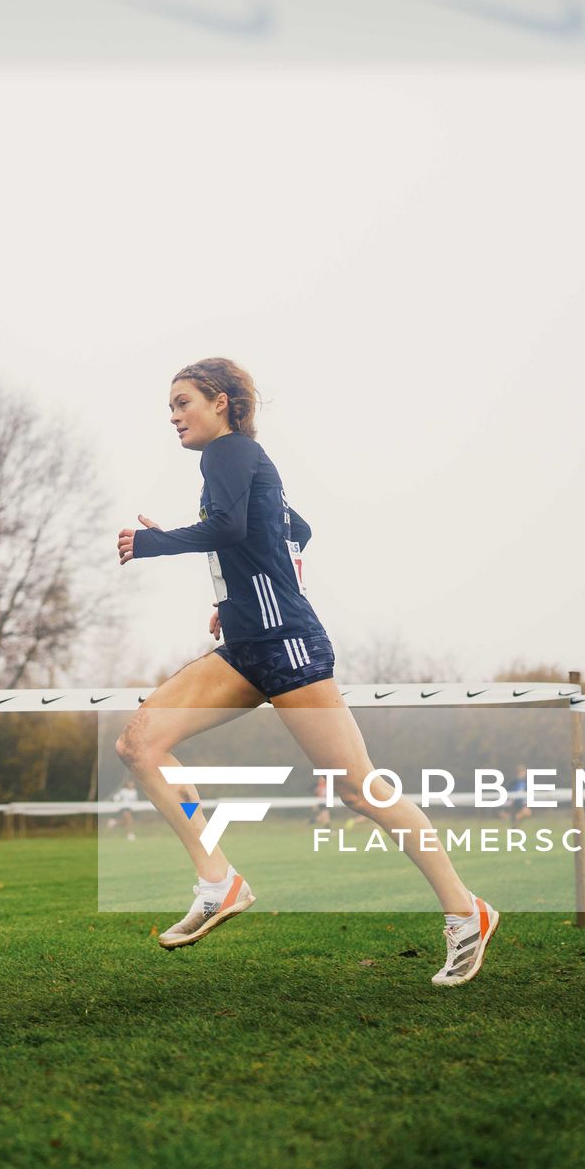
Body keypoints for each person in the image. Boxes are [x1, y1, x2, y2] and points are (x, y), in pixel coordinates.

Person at [114, 358, 499, 987]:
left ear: (223, 404)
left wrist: (154, 543)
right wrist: (233, 598)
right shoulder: (239, 462)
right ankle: (219, 880)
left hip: (288, 647)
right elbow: (294, 530)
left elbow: (234, 529)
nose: (175, 416)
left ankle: (466, 914)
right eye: (170, 407)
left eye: (184, 403)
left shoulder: (228, 453)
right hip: (247, 646)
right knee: (141, 744)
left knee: (359, 790)